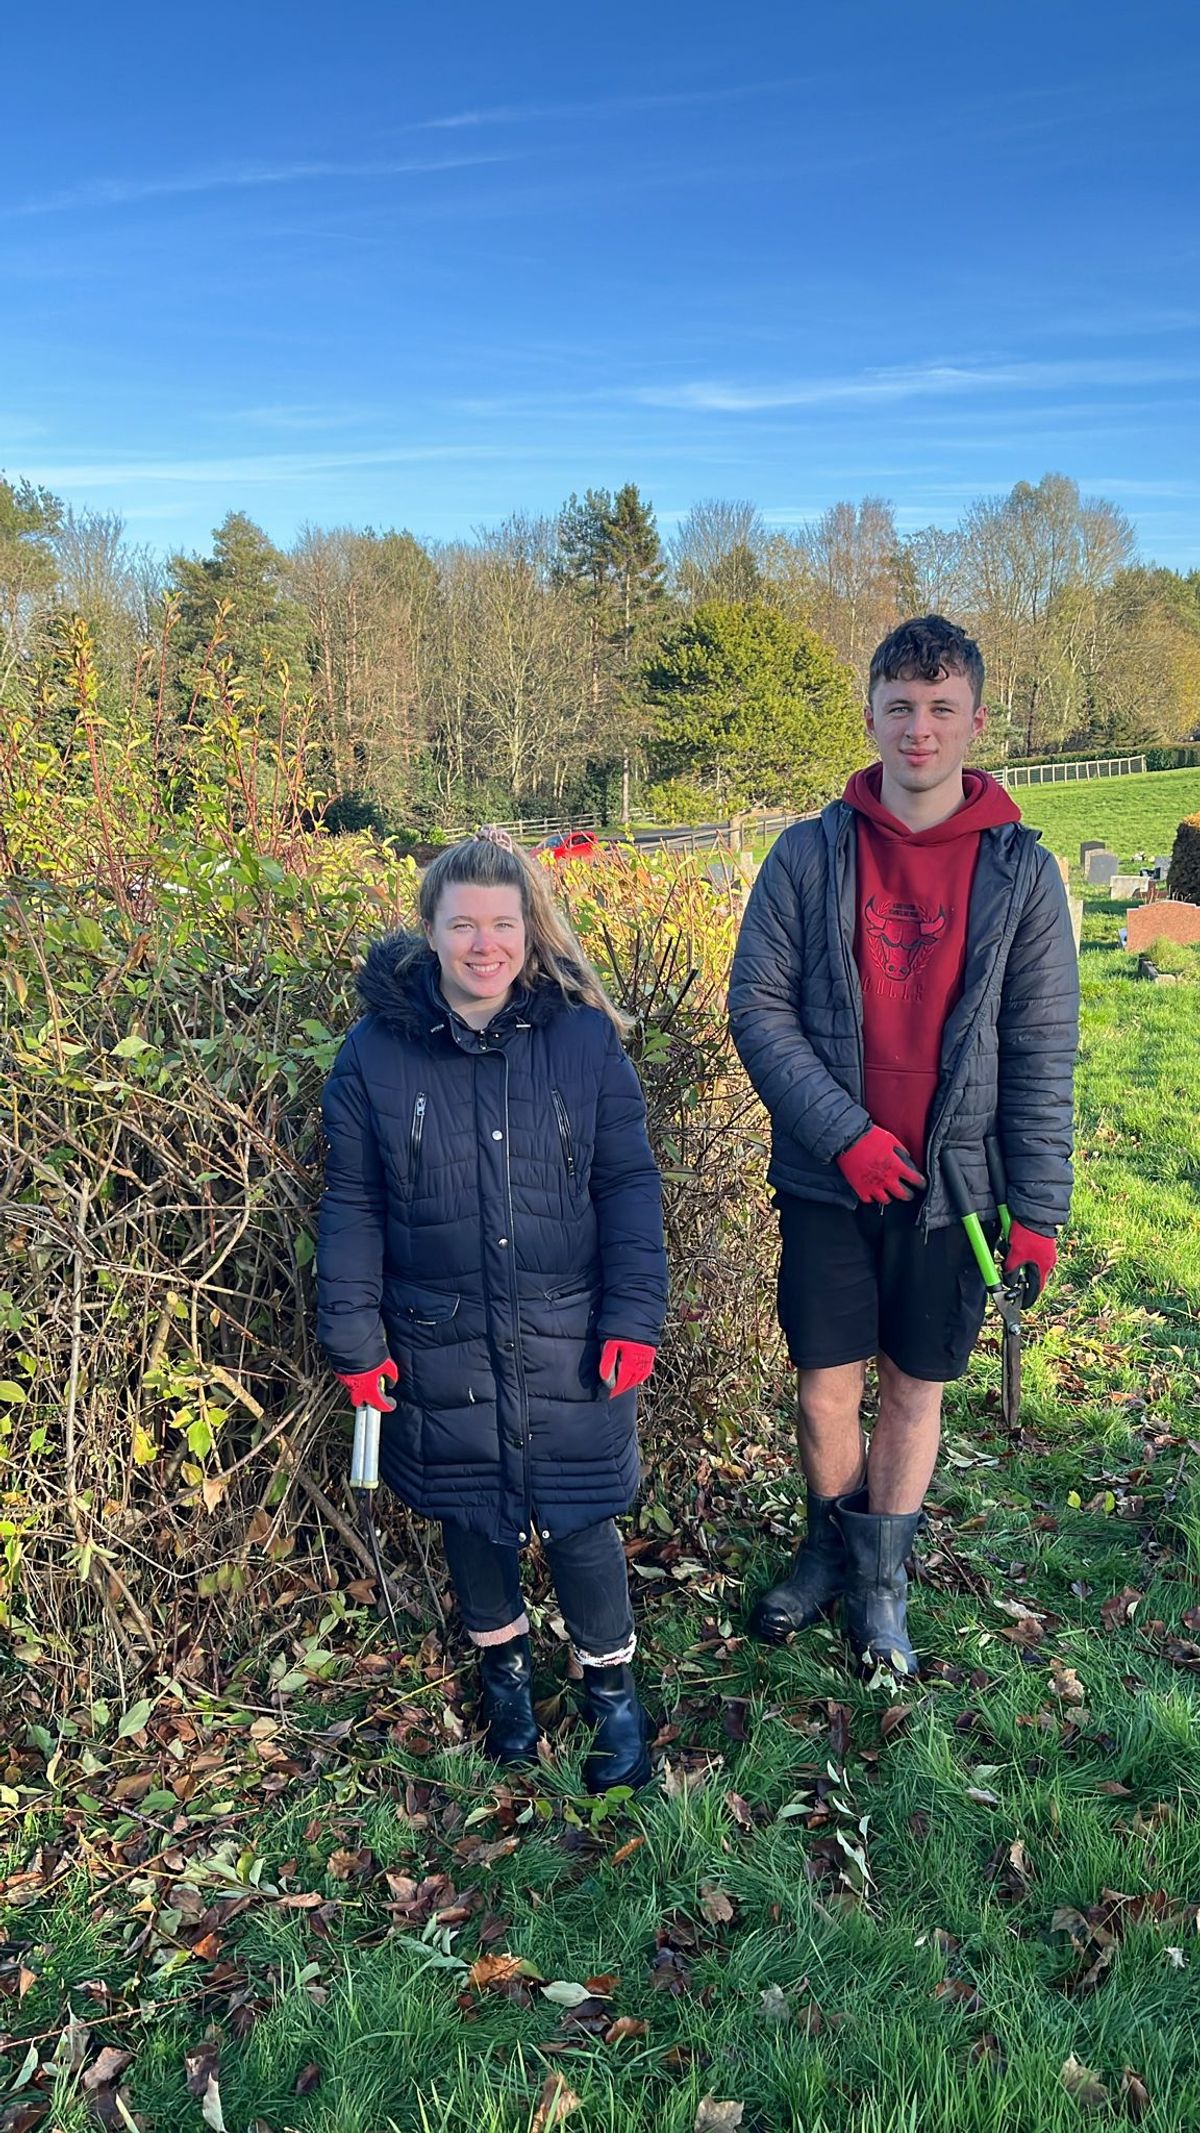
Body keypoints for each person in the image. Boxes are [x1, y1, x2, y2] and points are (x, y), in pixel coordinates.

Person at [728, 615, 1078, 1678]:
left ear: (975, 720)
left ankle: (884, 1585)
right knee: (825, 1387)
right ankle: (826, 1553)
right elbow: (758, 1009)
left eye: (940, 709)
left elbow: (1041, 1046)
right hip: (830, 1182)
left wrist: (1042, 1213)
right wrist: (844, 1138)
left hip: (958, 1189)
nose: (919, 729)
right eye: (899, 707)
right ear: (871, 716)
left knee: (914, 1386)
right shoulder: (807, 852)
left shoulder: (1023, 872)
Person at [316, 828, 668, 1790]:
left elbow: (629, 1184)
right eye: (462, 923)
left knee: (584, 1519)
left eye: (501, 923)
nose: (483, 943)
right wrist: (354, 1336)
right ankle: (505, 1680)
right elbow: (351, 1205)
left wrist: (635, 1315)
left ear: (529, 929)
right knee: (472, 1519)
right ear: (429, 931)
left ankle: (612, 1695)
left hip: (572, 1334)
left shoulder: (582, 1037)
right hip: (439, 1336)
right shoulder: (374, 1055)